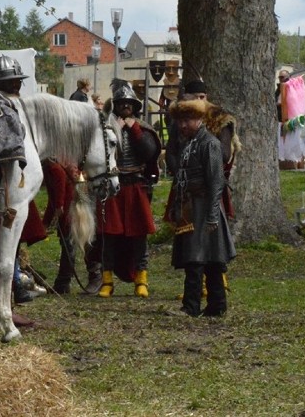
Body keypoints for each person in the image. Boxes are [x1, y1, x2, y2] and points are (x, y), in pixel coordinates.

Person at [0, 55, 48, 326]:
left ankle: (2, 305)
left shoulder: (15, 113)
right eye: (11, 85)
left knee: (6, 253)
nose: (15, 89)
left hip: (9, 195)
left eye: (16, 84)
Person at [168, 97, 236, 317]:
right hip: (191, 207)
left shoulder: (210, 144)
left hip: (205, 206)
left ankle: (196, 306)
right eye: (180, 121)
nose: (182, 125)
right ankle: (213, 306)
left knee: (203, 258)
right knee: (198, 256)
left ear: (199, 119)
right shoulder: (189, 143)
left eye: (187, 120)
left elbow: (216, 181)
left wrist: (213, 216)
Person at [98, 81, 161, 298]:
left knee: (139, 236)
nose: (125, 106)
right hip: (113, 187)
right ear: (115, 105)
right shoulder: (105, 129)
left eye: (129, 103)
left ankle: (141, 280)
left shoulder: (142, 129)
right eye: (122, 103)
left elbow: (148, 153)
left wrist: (133, 128)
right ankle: (107, 281)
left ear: (135, 106)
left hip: (136, 186)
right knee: (109, 236)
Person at [42, 158, 103, 295]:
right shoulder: (52, 163)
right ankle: (64, 283)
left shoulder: (53, 165)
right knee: (69, 245)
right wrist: (46, 221)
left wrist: (58, 206)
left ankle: (94, 277)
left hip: (75, 206)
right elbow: (53, 197)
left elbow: (59, 183)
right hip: (73, 205)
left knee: (80, 242)